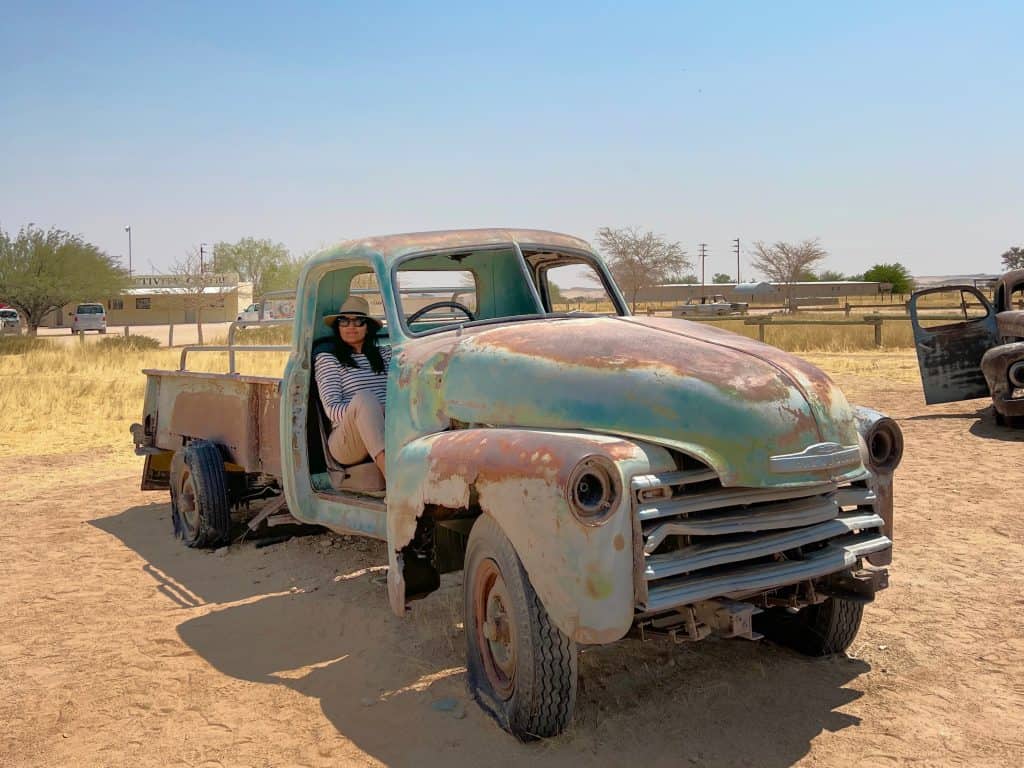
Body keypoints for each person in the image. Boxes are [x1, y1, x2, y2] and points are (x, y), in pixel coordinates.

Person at [313, 295, 390, 479]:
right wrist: (371, 412)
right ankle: (392, 477)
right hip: (346, 441)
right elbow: (332, 409)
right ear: (337, 327)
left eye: (358, 321)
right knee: (365, 398)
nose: (351, 327)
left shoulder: (385, 355)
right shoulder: (328, 360)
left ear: (368, 326)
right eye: (344, 321)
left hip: (389, 425)